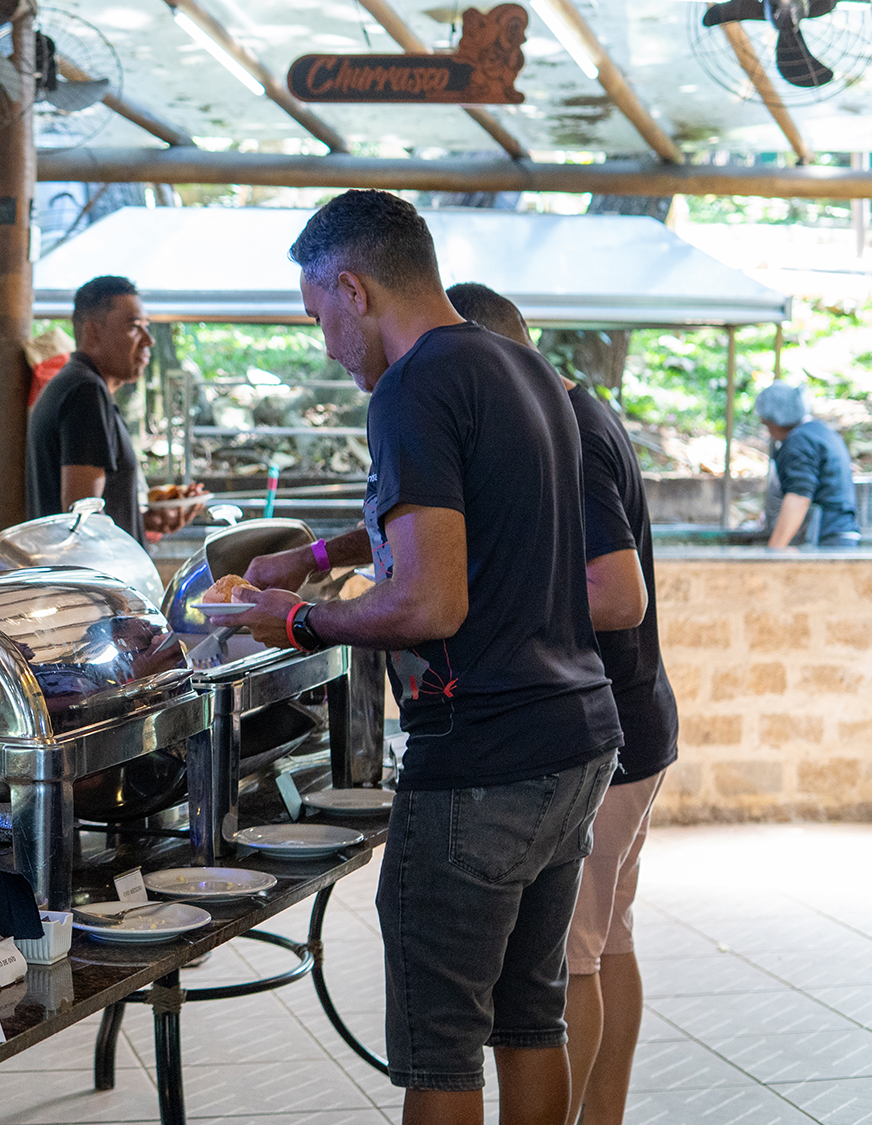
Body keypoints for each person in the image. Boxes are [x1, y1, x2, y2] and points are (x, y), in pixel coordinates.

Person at [226, 191, 621, 1125]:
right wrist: (318, 555)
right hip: (574, 739)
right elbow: (463, 520)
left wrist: (300, 622)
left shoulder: (411, 387)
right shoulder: (523, 367)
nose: (327, 346)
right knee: (530, 1017)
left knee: (441, 1052)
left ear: (352, 290)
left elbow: (432, 601)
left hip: (482, 758)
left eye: (317, 316)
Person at [448, 282, 681, 1125]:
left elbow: (619, 594)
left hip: (608, 729)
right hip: (638, 718)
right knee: (606, 940)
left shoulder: (568, 433)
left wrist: (501, 599)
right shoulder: (578, 410)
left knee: (569, 963)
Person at [25, 276, 202, 542]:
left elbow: (92, 513)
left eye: (146, 327)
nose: (149, 340)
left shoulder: (75, 385)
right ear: (93, 331)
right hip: (88, 569)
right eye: (134, 327)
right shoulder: (85, 391)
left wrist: (143, 521)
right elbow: (82, 518)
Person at [755, 382, 861, 548]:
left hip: (826, 539)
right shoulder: (820, 431)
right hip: (842, 534)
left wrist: (774, 551)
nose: (770, 432)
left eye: (767, 424)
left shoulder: (800, 440)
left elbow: (799, 497)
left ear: (776, 420)